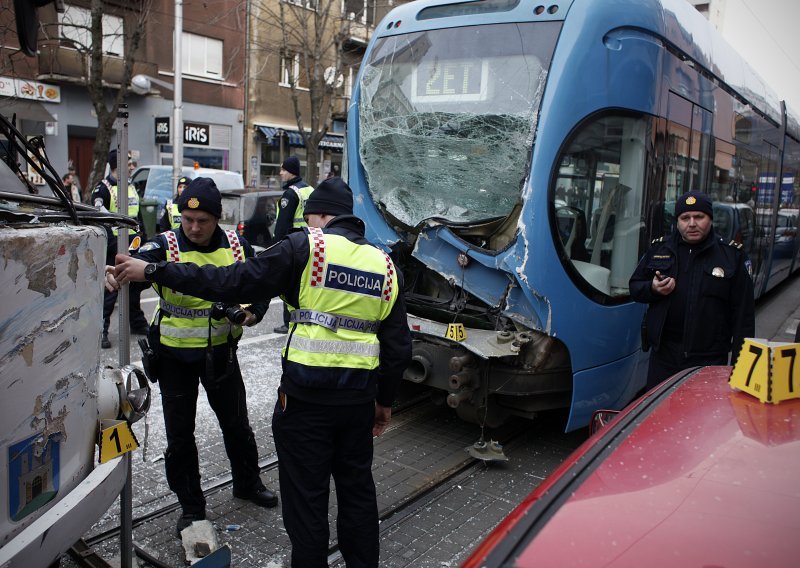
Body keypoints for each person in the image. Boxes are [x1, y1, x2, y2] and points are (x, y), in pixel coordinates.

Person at [111, 177, 412, 567]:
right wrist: (384, 402)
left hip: (305, 403)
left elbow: (232, 280)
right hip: (357, 402)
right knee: (357, 491)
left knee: (307, 500)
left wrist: (156, 271)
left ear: (317, 215)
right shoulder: (385, 265)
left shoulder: (307, 246)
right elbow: (399, 346)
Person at [106, 177, 278, 535]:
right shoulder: (164, 245)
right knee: (180, 436)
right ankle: (191, 505)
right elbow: (136, 263)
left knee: (236, 424)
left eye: (202, 221)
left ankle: (247, 483)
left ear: (217, 219)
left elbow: (259, 285)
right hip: (173, 359)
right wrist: (116, 273)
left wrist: (253, 313)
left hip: (221, 355)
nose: (194, 227)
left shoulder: (236, 244)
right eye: (187, 219)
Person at [630, 190, 755, 390]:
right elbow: (635, 287)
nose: (692, 223)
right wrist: (652, 288)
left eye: (699, 217)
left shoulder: (732, 256)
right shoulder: (660, 250)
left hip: (709, 361)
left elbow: (744, 319)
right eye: (685, 218)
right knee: (660, 416)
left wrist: (742, 371)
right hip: (663, 359)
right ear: (677, 221)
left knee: (701, 419)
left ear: (710, 219)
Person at [91, 149, 149, 348]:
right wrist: (114, 245)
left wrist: (144, 238)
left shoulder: (130, 186)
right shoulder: (103, 189)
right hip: (114, 246)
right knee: (112, 287)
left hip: (134, 244)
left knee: (134, 287)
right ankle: (102, 329)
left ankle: (137, 322)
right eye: (129, 163)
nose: (132, 166)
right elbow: (100, 218)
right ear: (117, 165)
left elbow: (137, 215)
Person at [271, 155, 312, 334]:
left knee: (288, 284)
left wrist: (275, 247)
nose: (280, 173)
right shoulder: (309, 189)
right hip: (310, 241)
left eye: (283, 170)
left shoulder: (291, 193)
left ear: (291, 172)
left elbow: (283, 224)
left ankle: (288, 322)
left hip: (293, 243)